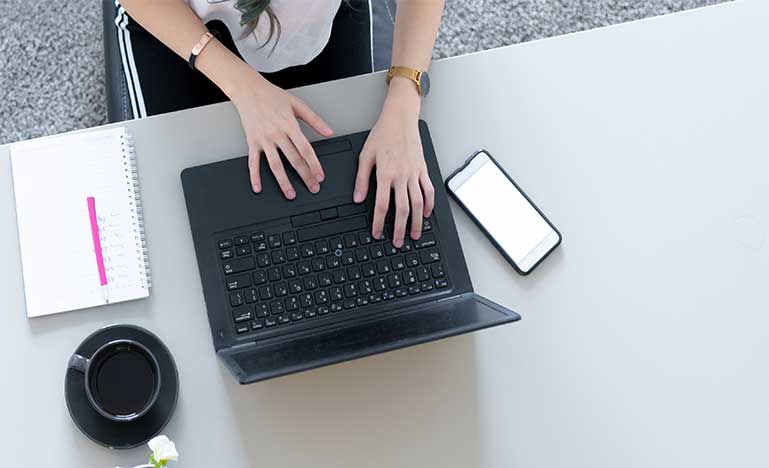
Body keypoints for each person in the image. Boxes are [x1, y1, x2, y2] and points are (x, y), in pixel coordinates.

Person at [118, 0, 445, 247]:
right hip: (182, 21)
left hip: (321, 13)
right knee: (184, 228)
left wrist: (405, 97)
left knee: (349, 208)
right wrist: (244, 88)